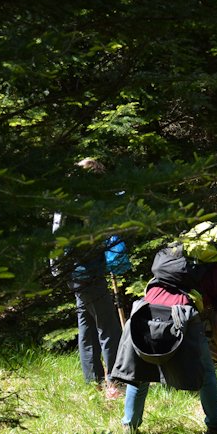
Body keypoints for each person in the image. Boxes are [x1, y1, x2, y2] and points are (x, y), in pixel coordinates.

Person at [111, 223, 217, 434]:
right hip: (181, 316)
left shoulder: (173, 254)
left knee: (139, 372)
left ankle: (129, 427)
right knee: (206, 374)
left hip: (145, 310)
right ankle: (215, 428)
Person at [52, 159, 129, 399]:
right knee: (109, 328)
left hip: (73, 273)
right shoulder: (87, 203)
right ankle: (116, 383)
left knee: (86, 325)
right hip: (88, 272)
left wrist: (56, 268)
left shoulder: (66, 200)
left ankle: (92, 381)